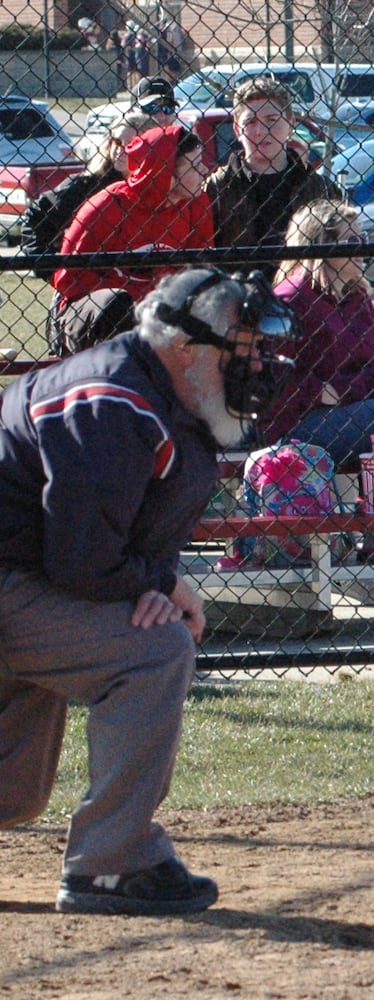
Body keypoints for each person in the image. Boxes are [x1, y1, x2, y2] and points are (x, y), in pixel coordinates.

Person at [0, 268, 292, 916]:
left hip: (23, 580)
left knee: (13, 793)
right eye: (239, 347)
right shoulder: (114, 399)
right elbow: (82, 560)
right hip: (20, 580)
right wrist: (162, 587)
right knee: (153, 653)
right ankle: (111, 865)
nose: (254, 363)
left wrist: (158, 584)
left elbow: (113, 546)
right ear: (185, 349)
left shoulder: (162, 393)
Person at [262, 200, 374, 564]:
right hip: (299, 426)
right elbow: (272, 379)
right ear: (321, 247)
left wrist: (342, 390)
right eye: (351, 239)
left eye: (363, 237)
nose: (363, 247)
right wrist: (330, 390)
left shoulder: (357, 297)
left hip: (352, 413)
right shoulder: (290, 301)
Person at [53, 123, 214, 355]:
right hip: (95, 315)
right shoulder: (108, 206)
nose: (204, 171)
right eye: (194, 166)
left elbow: (202, 270)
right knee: (116, 303)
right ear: (164, 172)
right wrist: (140, 303)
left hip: (164, 313)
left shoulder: (196, 204)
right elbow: (69, 281)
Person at [206, 76, 341, 250]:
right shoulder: (217, 188)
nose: (261, 131)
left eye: (272, 120)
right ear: (237, 130)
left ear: (290, 123)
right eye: (250, 122)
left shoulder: (320, 188)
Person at [20, 111, 158, 282]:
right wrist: (51, 269)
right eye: (116, 142)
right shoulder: (88, 186)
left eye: (132, 143)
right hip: (93, 289)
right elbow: (36, 216)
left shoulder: (162, 187)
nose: (120, 150)